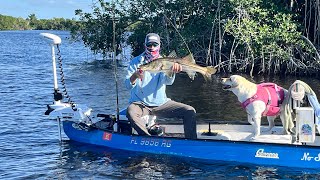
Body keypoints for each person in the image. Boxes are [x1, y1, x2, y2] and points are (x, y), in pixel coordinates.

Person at [125, 33, 197, 139]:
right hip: (140, 104)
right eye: (149, 45)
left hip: (161, 104)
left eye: (155, 44)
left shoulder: (164, 61)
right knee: (131, 111)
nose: (152, 48)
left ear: (159, 45)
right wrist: (135, 76)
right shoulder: (135, 62)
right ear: (145, 45)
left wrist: (172, 72)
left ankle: (191, 142)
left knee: (190, 111)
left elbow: (168, 82)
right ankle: (147, 137)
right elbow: (127, 85)